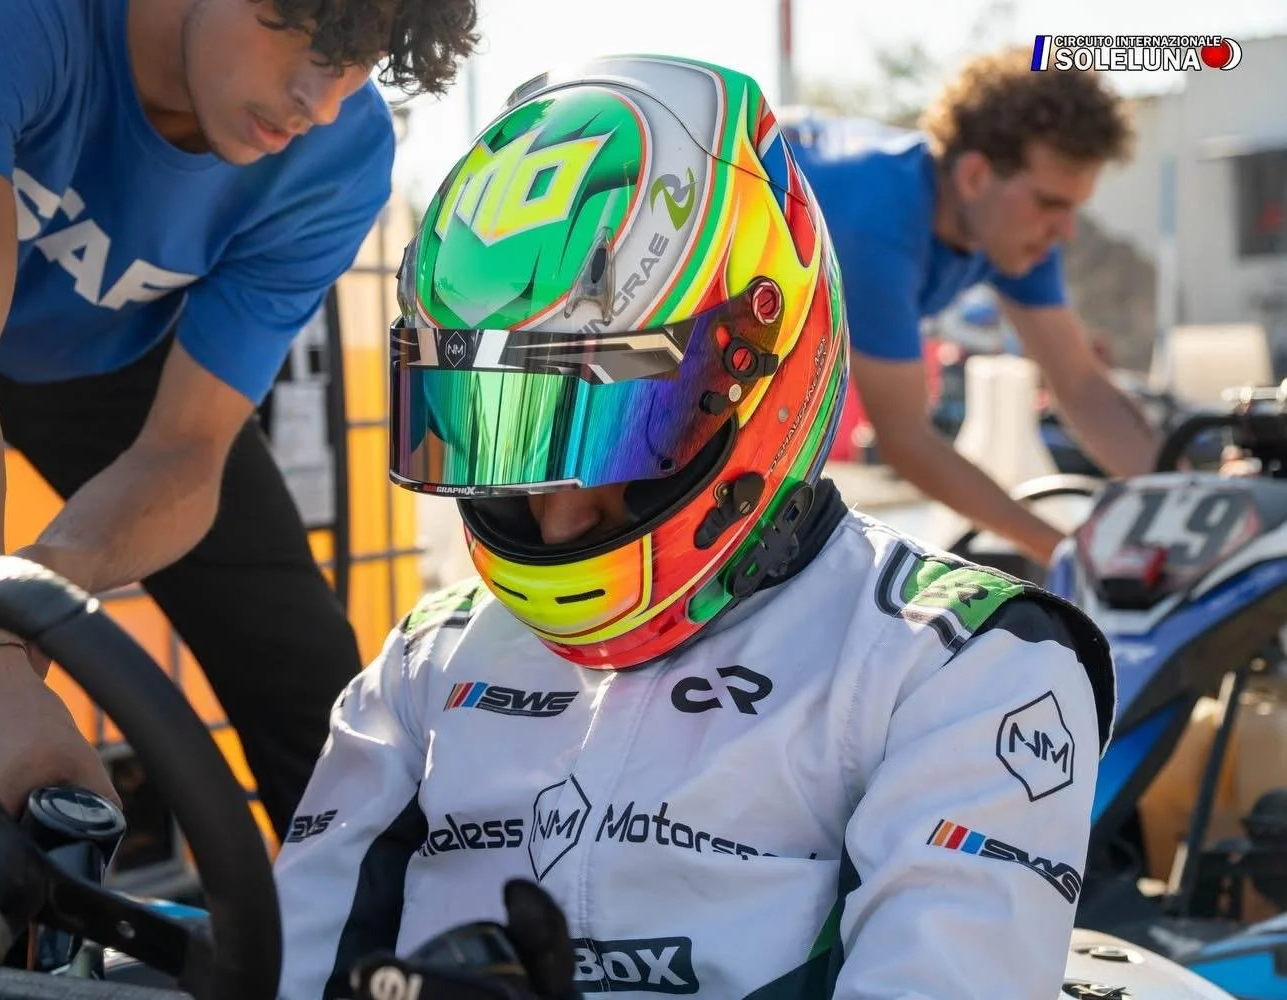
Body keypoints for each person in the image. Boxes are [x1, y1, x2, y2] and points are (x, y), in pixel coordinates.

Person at [271, 55, 1116, 999]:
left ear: (761, 378)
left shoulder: (968, 664)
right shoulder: (427, 662)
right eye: (498, 433)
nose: (557, 514)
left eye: (617, 435)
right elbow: (291, 968)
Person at [0, 0, 478, 839]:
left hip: (88, 338)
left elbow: (186, 451)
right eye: (308, 34)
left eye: (357, 60)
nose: (320, 100)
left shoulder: (338, 155)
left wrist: (34, 600)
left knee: (306, 672)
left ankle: (383, 960)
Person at [784, 45, 1159, 565]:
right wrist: (1071, 555)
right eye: (1051, 203)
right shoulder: (878, 223)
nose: (1065, 231)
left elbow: (1082, 387)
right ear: (975, 175)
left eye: (1073, 208)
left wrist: (1194, 502)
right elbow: (905, 440)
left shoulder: (1016, 233)